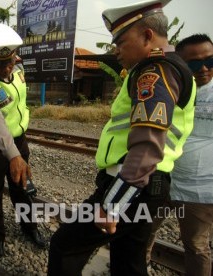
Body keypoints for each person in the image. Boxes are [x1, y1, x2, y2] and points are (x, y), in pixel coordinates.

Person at [47, 0, 197, 275]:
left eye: (121, 41)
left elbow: (148, 142)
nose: (115, 50)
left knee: (64, 245)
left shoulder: (155, 71)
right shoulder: (173, 68)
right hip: (148, 185)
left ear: (147, 35)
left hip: (132, 184)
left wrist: (112, 204)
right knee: (128, 261)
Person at [0, 23, 46, 260]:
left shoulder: (19, 66)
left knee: (22, 188)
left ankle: (29, 226)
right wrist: (14, 156)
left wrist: (19, 150)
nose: (6, 68)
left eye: (9, 61)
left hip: (20, 140)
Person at [146, 34, 213, 276]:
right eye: (194, 64)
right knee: (145, 232)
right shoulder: (168, 88)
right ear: (182, 64)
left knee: (196, 247)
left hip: (199, 191)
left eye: (210, 60)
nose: (203, 68)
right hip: (162, 180)